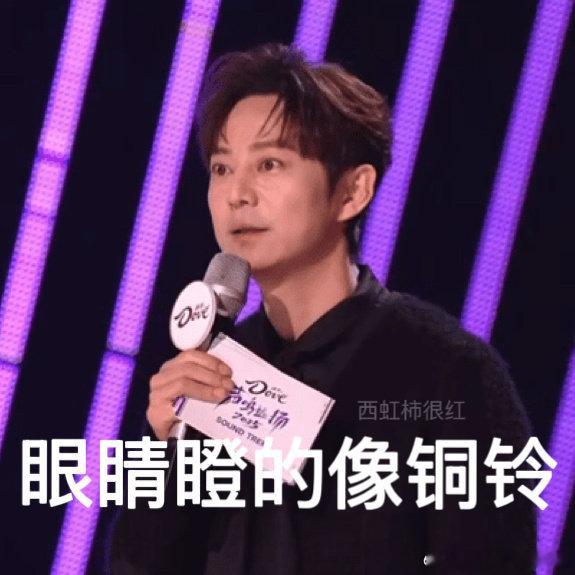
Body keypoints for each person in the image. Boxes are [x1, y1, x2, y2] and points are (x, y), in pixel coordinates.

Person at [110, 43, 536, 574]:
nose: (237, 194)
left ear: (353, 191)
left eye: (269, 163)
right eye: (221, 167)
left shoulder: (448, 372)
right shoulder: (215, 373)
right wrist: (164, 451)